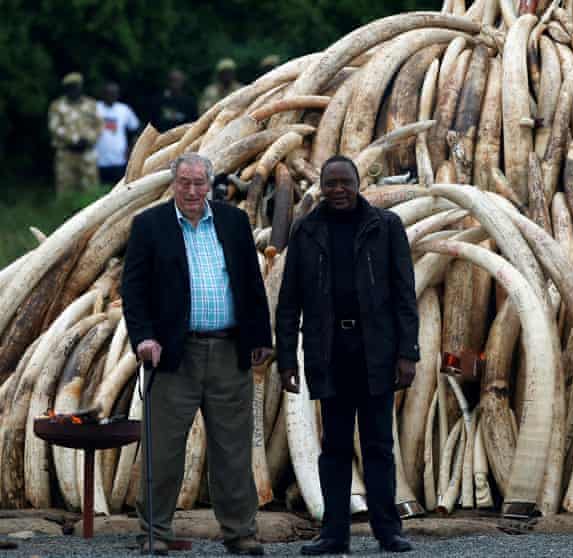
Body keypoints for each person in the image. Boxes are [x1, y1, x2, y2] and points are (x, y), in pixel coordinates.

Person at [121, 153, 273, 556]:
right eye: (184, 182)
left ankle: (240, 532)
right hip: (173, 354)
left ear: (210, 185)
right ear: (173, 184)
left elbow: (250, 283)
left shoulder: (233, 222)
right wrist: (143, 338)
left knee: (233, 447)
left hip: (228, 350)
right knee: (163, 449)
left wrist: (260, 335)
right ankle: (155, 532)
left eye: (199, 183)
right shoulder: (149, 225)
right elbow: (133, 292)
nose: (191, 191)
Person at [276, 156, 419, 555]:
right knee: (334, 446)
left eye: (346, 182)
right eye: (331, 183)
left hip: (376, 351)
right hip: (328, 353)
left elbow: (405, 294)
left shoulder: (385, 227)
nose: (338, 190)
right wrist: (287, 360)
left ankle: (387, 531)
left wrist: (408, 353)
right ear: (320, 186)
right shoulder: (306, 230)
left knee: (378, 445)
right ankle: (334, 533)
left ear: (359, 184)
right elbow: (289, 302)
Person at [48, 72, 102, 195]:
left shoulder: (91, 104)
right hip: (66, 154)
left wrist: (89, 139)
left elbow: (99, 125)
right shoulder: (57, 106)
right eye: (70, 87)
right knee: (65, 191)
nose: (74, 90)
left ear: (81, 87)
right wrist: (74, 139)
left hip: (87, 153)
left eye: (76, 86)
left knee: (91, 192)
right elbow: (55, 128)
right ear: (66, 89)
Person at [96, 82, 140, 184]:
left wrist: (132, 148)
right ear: (103, 94)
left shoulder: (123, 109)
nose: (111, 96)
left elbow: (136, 129)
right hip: (98, 160)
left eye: (114, 93)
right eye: (109, 93)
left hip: (119, 159)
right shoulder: (95, 108)